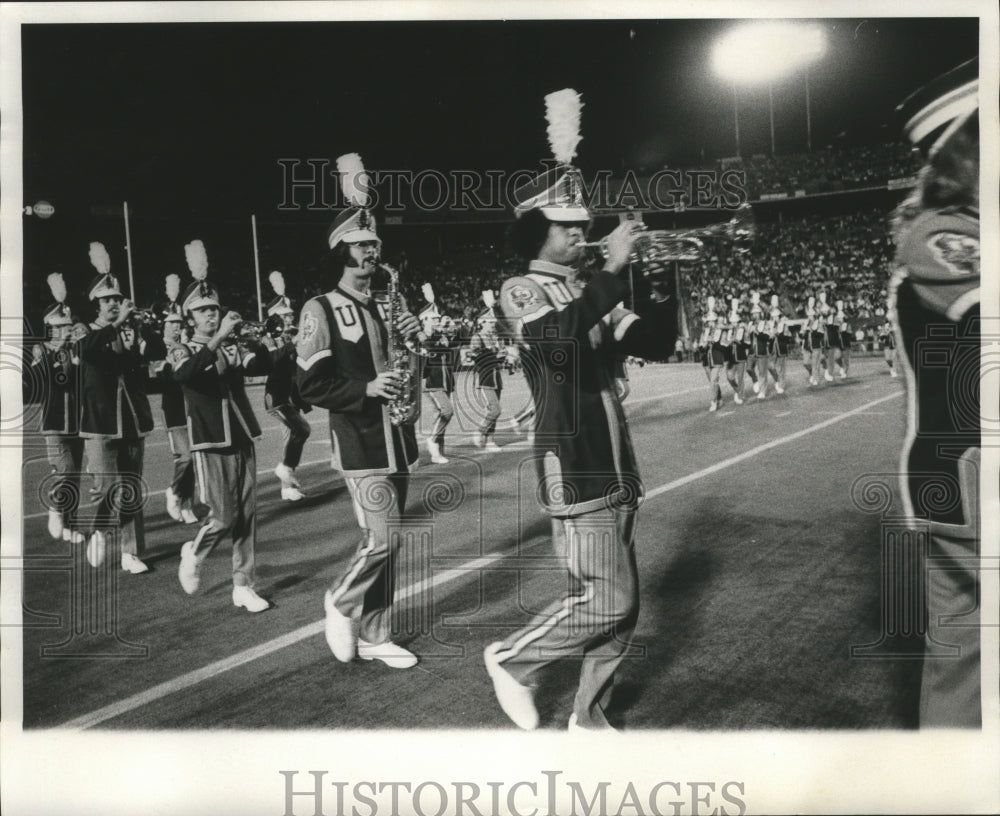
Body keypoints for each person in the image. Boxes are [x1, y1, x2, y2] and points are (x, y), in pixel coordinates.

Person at [486, 89, 678, 730]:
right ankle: (514, 661)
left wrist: (657, 275)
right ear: (538, 229)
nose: (581, 234)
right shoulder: (520, 288)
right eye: (568, 226)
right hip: (572, 457)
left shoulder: (583, 286)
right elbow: (557, 343)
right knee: (607, 595)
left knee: (624, 601)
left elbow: (655, 343)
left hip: (615, 453)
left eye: (582, 225)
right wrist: (611, 272)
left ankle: (589, 718)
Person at [296, 151, 422, 670]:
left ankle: (376, 634)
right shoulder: (320, 308)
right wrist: (366, 388)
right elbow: (311, 384)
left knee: (391, 546)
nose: (374, 250)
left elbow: (404, 370)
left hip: (398, 438)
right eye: (363, 244)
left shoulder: (389, 302)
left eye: (374, 242)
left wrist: (413, 346)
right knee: (382, 537)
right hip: (361, 439)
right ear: (341, 249)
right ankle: (341, 601)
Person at [891, 58, 980, 727]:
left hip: (959, 479)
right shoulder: (945, 232)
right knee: (961, 650)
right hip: (973, 480)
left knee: (963, 656)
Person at [171, 264, 272, 613]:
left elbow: (256, 366)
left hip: (241, 434)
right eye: (202, 310)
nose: (211, 314)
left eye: (213, 308)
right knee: (222, 516)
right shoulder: (181, 348)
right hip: (210, 439)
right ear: (190, 317)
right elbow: (187, 374)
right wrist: (218, 339)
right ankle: (195, 552)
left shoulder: (231, 344)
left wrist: (272, 344)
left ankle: (243, 585)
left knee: (247, 516)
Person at [78, 244, 163, 574]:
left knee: (130, 488)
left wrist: (144, 326)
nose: (113, 304)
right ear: (96, 304)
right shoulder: (86, 330)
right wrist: (121, 322)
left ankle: (131, 551)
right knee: (106, 486)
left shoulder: (130, 329)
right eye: (107, 300)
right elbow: (89, 351)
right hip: (100, 422)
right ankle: (100, 529)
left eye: (117, 298)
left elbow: (154, 352)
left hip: (132, 419)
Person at [31, 274, 84, 544]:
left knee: (75, 477)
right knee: (65, 471)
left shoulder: (74, 350)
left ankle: (69, 524)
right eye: (61, 326)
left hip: (76, 420)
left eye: (67, 326)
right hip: (53, 420)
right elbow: (41, 382)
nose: (66, 331)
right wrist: (59, 354)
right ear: (51, 328)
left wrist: (76, 359)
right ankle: (54, 509)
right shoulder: (42, 350)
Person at [262, 271, 312, 501]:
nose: (290, 318)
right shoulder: (269, 338)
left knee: (294, 437)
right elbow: (271, 361)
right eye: (285, 315)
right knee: (292, 434)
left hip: (294, 394)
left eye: (291, 314)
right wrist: (292, 342)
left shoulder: (291, 335)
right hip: (278, 395)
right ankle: (286, 485)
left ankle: (288, 483)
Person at [153, 295, 199, 525]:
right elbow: (158, 377)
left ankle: (187, 503)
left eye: (179, 322)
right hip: (173, 407)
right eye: (172, 322)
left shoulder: (188, 344)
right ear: (163, 325)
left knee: (196, 457)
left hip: (192, 405)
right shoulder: (156, 346)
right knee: (185, 458)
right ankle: (174, 491)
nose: (176, 326)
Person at [468, 293, 505, 452]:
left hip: (496, 377)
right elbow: (475, 359)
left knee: (494, 411)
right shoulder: (477, 338)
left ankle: (490, 441)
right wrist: (493, 355)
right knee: (495, 409)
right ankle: (480, 432)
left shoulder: (496, 338)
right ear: (483, 322)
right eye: (490, 323)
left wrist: (502, 357)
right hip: (485, 378)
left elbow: (498, 359)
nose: (493, 325)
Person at [422, 313, 461, 464]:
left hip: (446, 382)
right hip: (432, 382)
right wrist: (439, 332)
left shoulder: (440, 335)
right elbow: (428, 348)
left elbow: (458, 341)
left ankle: (438, 453)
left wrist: (453, 327)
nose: (437, 322)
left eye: (438, 319)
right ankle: (432, 442)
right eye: (434, 319)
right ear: (425, 320)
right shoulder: (422, 337)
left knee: (441, 415)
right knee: (446, 411)